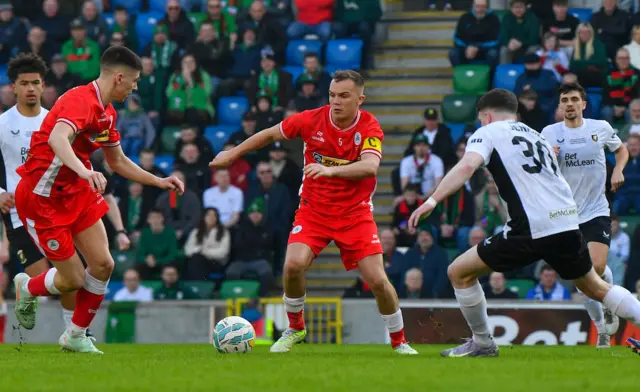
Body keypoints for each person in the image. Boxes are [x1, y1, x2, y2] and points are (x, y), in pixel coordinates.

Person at [408, 88, 640, 358]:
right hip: (566, 222)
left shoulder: (488, 132)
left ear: (487, 115)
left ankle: (482, 342)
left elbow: (466, 166)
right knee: (596, 287)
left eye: (481, 119)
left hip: (531, 226)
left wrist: (432, 200)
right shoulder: (536, 135)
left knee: (458, 272)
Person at [209, 70, 418, 354]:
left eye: (344, 96)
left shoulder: (369, 126)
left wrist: (329, 170)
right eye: (333, 95)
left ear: (360, 99)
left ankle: (399, 342)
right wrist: (232, 154)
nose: (336, 101)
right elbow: (271, 134)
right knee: (293, 265)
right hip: (314, 211)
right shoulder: (311, 119)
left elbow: (370, 166)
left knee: (379, 281)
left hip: (355, 214)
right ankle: (295, 328)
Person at [11, 46, 184, 354]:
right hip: (42, 198)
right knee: (74, 279)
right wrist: (85, 171)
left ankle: (75, 335)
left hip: (76, 193)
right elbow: (57, 139)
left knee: (103, 264)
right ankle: (28, 287)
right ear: (119, 78)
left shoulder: (107, 113)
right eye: (133, 81)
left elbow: (117, 161)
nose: (134, 88)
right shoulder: (80, 100)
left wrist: (159, 180)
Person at [0, 53, 131, 336]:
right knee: (60, 277)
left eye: (36, 83)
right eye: (25, 83)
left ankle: (74, 332)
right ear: (14, 87)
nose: (31, 89)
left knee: (73, 277)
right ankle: (33, 293)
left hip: (62, 201)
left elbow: (91, 157)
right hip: (20, 209)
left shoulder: (57, 116)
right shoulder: (2, 124)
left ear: (43, 84)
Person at [541, 82, 629, 348]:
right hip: (565, 213)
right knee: (580, 277)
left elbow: (622, 150)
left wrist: (618, 170)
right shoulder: (548, 133)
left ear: (583, 104)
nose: (569, 104)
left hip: (595, 209)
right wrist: (549, 158)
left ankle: (609, 306)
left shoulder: (599, 128)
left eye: (574, 99)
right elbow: (539, 171)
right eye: (564, 100)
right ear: (559, 106)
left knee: (597, 268)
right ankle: (601, 327)